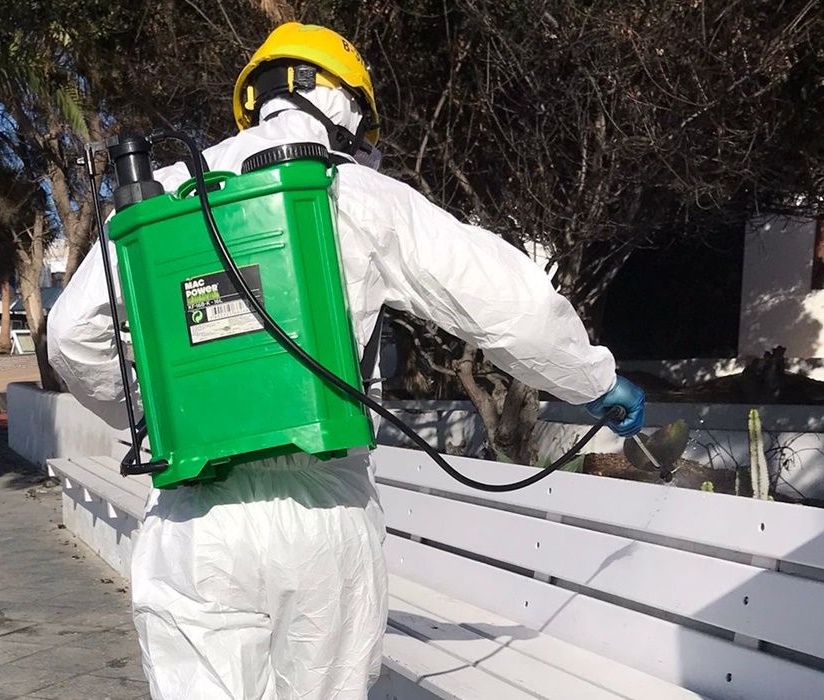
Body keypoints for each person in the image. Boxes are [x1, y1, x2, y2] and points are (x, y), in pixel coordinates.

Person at [48, 21, 646, 700]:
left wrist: (163, 425)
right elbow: (518, 312)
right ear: (350, 106)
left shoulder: (158, 197)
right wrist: (595, 382)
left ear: (255, 99)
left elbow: (71, 335)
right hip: (321, 511)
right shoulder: (352, 192)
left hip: (195, 517)